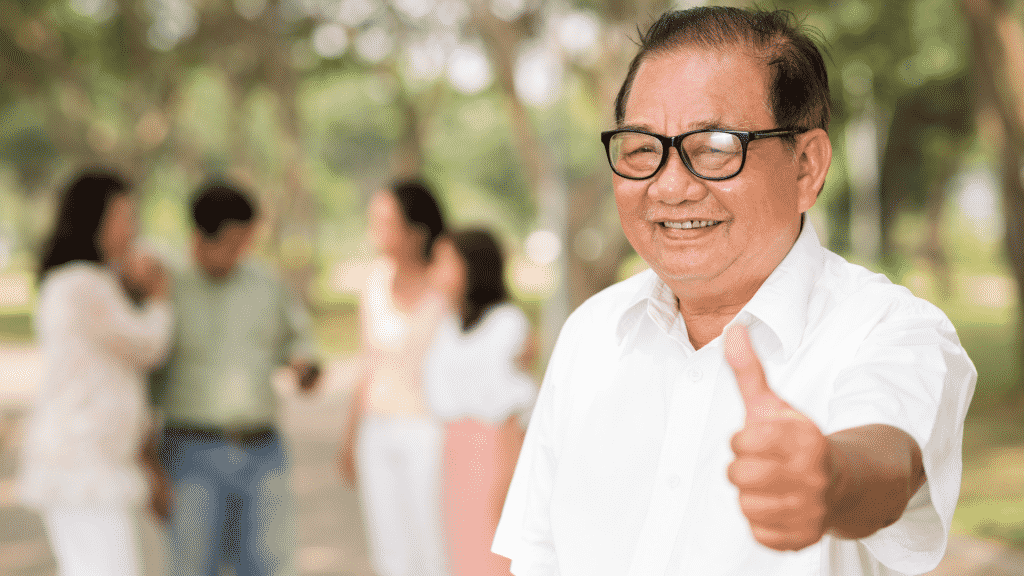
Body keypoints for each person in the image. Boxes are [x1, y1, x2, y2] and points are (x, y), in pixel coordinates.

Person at [493, 7, 977, 576]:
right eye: (643, 147)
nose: (670, 186)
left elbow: (888, 466)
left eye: (717, 146)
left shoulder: (890, 331)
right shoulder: (592, 333)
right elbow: (534, 555)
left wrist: (831, 477)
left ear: (806, 167)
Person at [148, 181, 321, 576]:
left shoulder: (266, 284)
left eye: (246, 242)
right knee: (193, 567)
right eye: (231, 243)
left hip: (263, 453)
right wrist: (153, 470)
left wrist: (303, 366)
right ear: (199, 238)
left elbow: (297, 343)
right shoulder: (167, 288)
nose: (239, 253)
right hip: (189, 452)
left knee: (269, 566)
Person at [18, 170, 173, 576]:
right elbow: (147, 345)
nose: (133, 229)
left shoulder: (81, 282)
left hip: (89, 462)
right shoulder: (83, 284)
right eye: (125, 217)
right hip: (84, 466)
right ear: (94, 220)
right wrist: (159, 300)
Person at [338, 179, 450, 576]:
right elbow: (367, 364)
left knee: (433, 546)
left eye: (386, 223)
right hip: (377, 431)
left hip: (431, 431)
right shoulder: (373, 281)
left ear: (416, 231)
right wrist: (350, 437)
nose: (376, 234)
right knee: (389, 551)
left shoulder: (447, 283)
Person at [425, 229, 537, 576]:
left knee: (494, 555)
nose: (436, 270)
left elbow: (508, 410)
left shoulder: (507, 323)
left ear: (472, 268)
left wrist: (506, 481)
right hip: (454, 450)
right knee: (460, 553)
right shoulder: (447, 324)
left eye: (446, 260)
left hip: (492, 449)